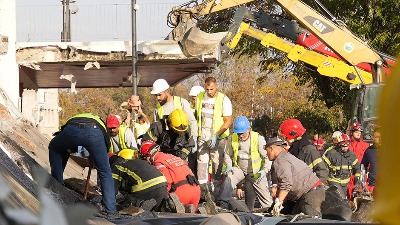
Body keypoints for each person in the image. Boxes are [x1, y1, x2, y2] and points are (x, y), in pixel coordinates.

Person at [48, 113, 117, 214]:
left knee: (55, 148)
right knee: (105, 171)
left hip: (72, 128)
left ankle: (57, 187)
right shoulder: (103, 129)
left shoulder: (78, 116)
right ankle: (111, 210)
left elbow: (68, 142)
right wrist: (94, 158)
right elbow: (104, 151)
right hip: (94, 132)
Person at [217, 116, 273, 211]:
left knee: (266, 198)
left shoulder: (258, 139)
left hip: (256, 172)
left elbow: (267, 156)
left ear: (249, 129)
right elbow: (227, 153)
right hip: (240, 169)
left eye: (242, 133)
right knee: (228, 180)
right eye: (238, 133)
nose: (240, 136)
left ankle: (271, 211)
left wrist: (265, 170)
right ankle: (223, 205)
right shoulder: (233, 138)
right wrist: (229, 164)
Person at [266, 137, 325, 217]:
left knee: (312, 220)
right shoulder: (287, 156)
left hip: (310, 195)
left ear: (271, 148)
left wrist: (278, 202)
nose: (266, 154)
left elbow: (286, 183)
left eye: (267, 151)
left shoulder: (280, 160)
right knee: (294, 218)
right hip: (310, 192)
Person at [140, 140, 201, 212]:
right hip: (196, 192)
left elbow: (166, 182)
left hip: (180, 195)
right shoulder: (174, 157)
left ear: (149, 155)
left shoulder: (158, 162)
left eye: (144, 158)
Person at [196, 77, 233, 192]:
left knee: (217, 163)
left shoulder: (223, 99)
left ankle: (216, 190)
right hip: (203, 136)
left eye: (211, 89)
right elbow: (197, 116)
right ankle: (203, 189)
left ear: (216, 86)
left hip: (217, 138)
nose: (209, 92)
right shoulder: (200, 97)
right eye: (207, 89)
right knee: (202, 163)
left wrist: (216, 135)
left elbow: (228, 121)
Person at [279, 119, 328, 185]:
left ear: (293, 135)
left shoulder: (309, 150)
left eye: (286, 137)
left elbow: (322, 172)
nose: (285, 140)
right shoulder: (294, 151)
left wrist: (315, 190)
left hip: (309, 193)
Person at [322, 134, 361, 199]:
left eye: (347, 146)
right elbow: (323, 167)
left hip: (345, 182)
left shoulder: (352, 155)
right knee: (341, 199)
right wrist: (323, 181)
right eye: (343, 146)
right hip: (333, 180)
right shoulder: (331, 153)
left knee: (341, 199)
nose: (345, 148)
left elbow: (357, 168)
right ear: (339, 144)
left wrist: (357, 180)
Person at [347, 122, 370, 199]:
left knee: (362, 197)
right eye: (356, 132)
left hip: (361, 174)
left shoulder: (366, 146)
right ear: (352, 132)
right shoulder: (346, 145)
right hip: (349, 175)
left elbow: (370, 160)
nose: (358, 134)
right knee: (349, 197)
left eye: (360, 132)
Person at [361, 128, 380, 194]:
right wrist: (363, 182)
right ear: (373, 138)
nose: (379, 139)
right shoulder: (369, 151)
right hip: (373, 185)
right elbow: (363, 167)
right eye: (377, 137)